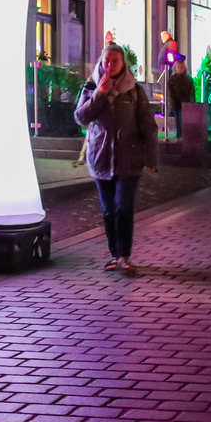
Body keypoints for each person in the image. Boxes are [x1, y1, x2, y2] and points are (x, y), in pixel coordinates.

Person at [74, 44, 159, 273]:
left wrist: (152, 159)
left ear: (123, 65)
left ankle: (124, 256)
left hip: (129, 157)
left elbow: (148, 126)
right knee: (109, 209)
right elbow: (81, 117)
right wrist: (99, 95)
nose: (109, 66)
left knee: (123, 207)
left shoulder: (134, 90)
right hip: (100, 157)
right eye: (106, 61)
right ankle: (114, 255)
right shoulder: (91, 86)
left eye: (114, 62)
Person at [166, 54, 194, 138]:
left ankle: (183, 135)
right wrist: (172, 102)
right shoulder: (172, 79)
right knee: (177, 120)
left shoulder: (188, 79)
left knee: (183, 119)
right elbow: (170, 91)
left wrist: (191, 101)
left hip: (185, 102)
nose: (180, 69)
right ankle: (179, 134)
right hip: (176, 103)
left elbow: (191, 91)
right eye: (178, 67)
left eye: (181, 67)